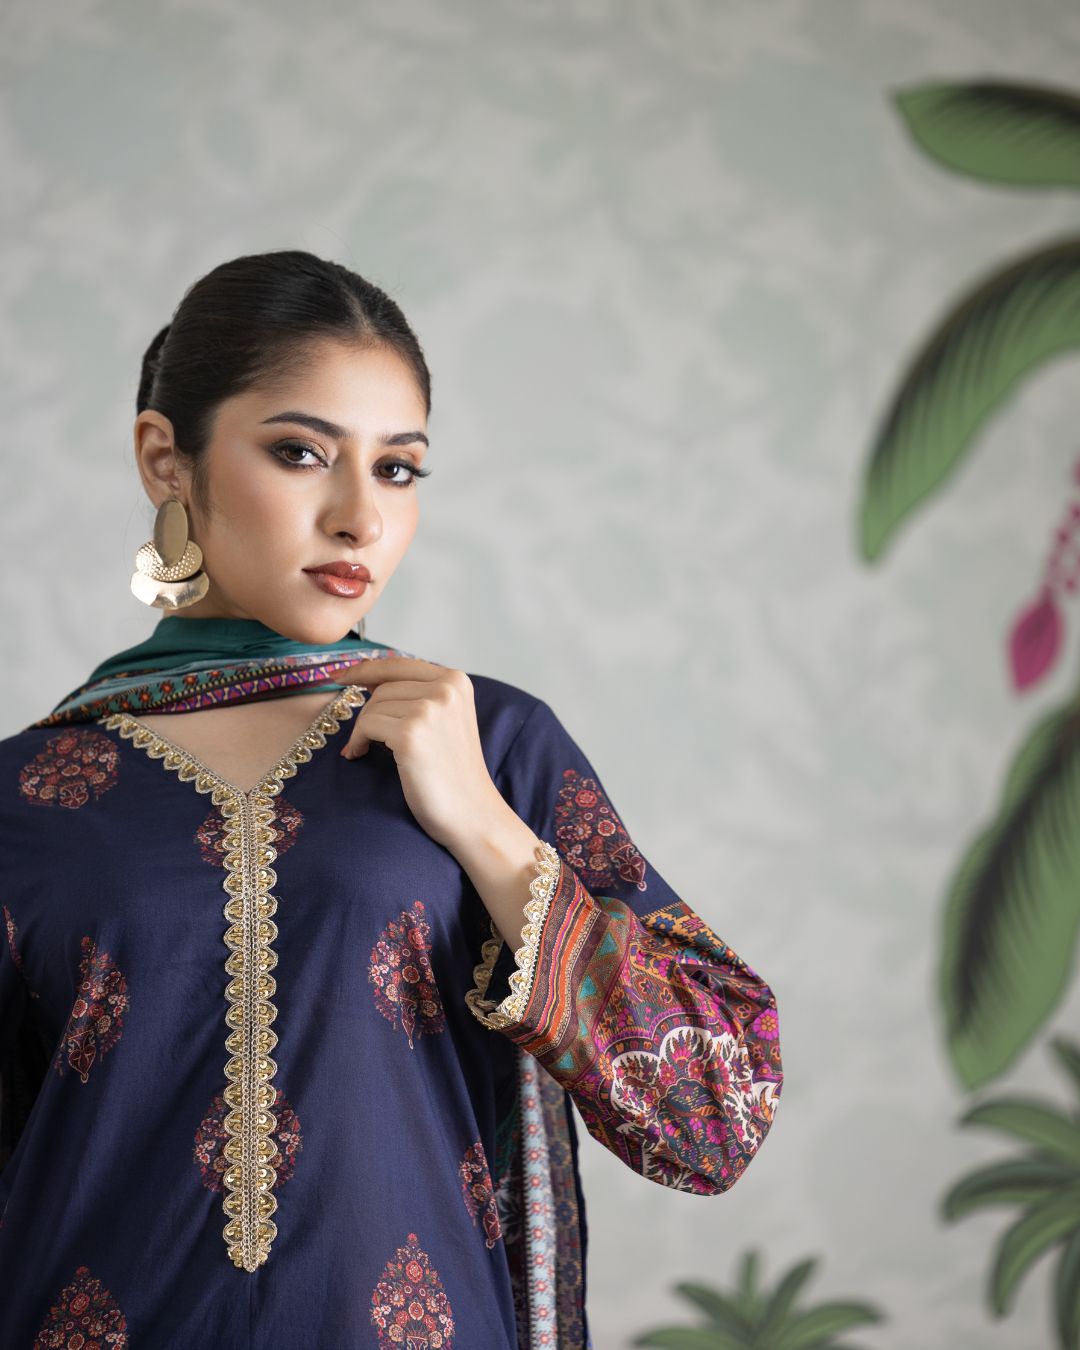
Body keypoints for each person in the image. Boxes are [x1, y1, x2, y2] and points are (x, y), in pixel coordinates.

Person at [0, 250, 783, 1349]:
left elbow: (713, 1115)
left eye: (399, 468)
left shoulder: (490, 742)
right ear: (166, 459)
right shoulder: (28, 798)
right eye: (300, 453)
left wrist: (484, 826)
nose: (360, 517)